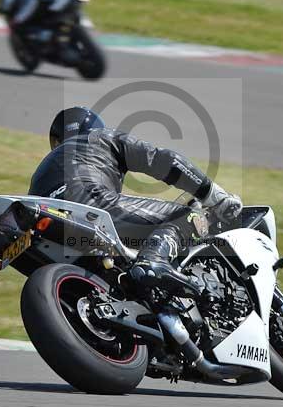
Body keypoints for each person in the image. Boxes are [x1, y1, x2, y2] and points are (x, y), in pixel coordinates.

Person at [29, 107, 243, 296]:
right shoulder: (100, 137)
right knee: (189, 217)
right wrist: (214, 195)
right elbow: (162, 160)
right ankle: (154, 259)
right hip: (88, 206)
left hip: (50, 227)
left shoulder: (41, 171)